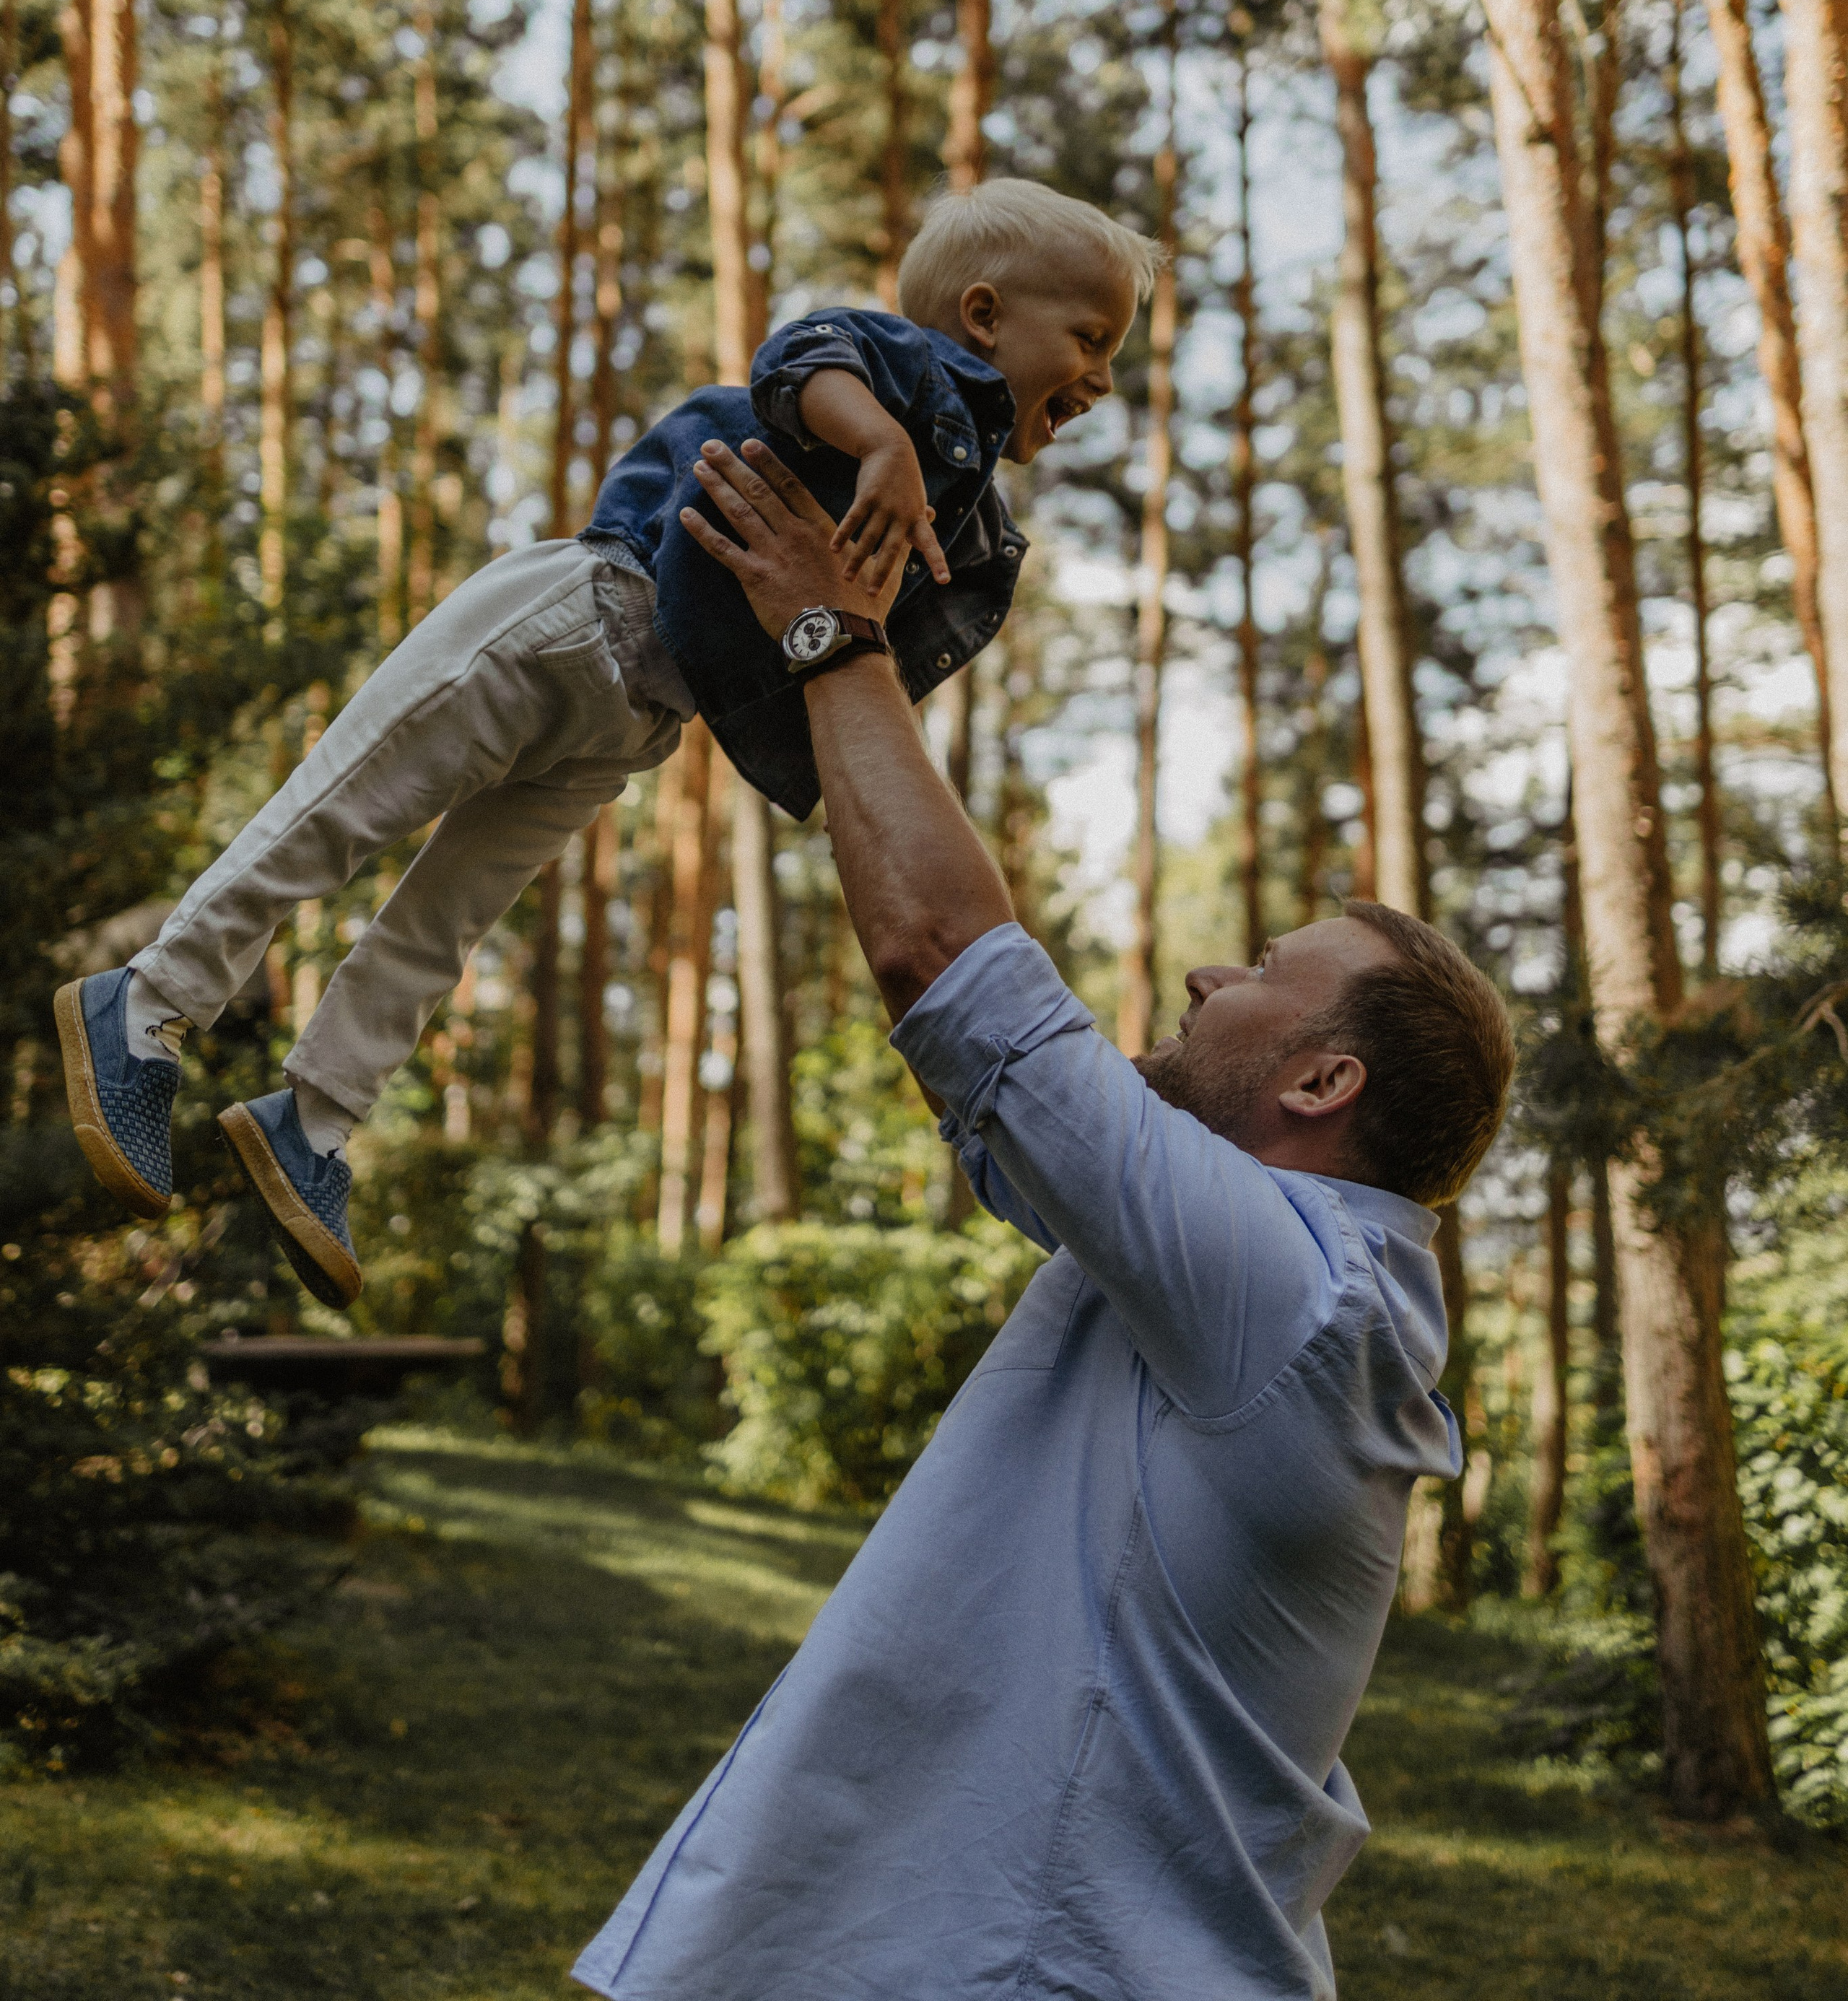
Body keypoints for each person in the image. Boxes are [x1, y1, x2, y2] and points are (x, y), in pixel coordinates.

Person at [571, 437, 1514, 2001]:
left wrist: (833, 633)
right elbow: (966, 1039)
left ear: (1321, 1079)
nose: (1209, 973)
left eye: (1262, 971)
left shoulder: (1288, 1286)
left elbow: (948, 960)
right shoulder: (1232, 1276)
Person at [53, 182, 1156, 1312]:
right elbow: (799, 356)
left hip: (638, 718)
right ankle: (147, 1004)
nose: (1105, 380)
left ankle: (316, 1118)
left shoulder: (978, 529)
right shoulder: (898, 372)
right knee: (342, 809)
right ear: (984, 316)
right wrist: (879, 441)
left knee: (449, 918)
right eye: (1091, 339)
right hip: (575, 616)